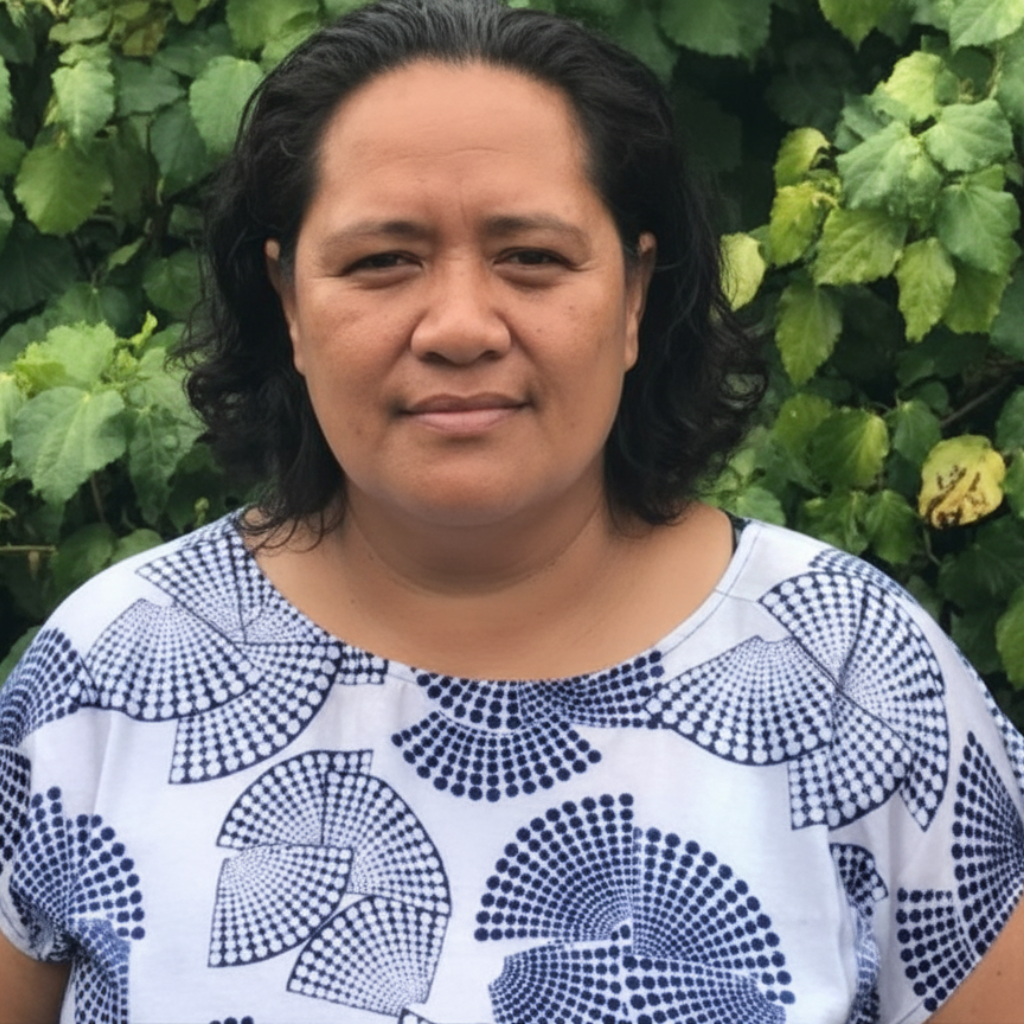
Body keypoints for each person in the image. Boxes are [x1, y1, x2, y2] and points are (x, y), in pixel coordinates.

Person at [1, 0, 1022, 1021]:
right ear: (289, 303)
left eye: (531, 256)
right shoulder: (109, 673)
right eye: (381, 260)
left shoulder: (854, 670)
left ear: (634, 293)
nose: (459, 326)